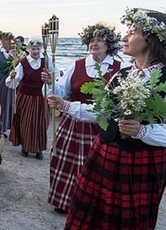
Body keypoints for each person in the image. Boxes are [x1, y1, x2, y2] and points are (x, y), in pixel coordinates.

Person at [45, 8, 166, 230]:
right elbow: (102, 112)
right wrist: (67, 106)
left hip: (145, 160)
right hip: (106, 151)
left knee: (129, 218)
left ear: (151, 39)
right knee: (86, 208)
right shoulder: (122, 75)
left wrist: (143, 131)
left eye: (133, 32)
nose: (125, 37)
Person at [45, 23, 124, 214]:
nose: (94, 43)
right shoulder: (78, 64)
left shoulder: (120, 68)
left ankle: (88, 207)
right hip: (73, 123)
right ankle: (63, 201)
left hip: (101, 126)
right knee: (66, 161)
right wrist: (50, 84)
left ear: (109, 45)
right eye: (92, 40)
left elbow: (119, 104)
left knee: (96, 167)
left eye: (99, 40)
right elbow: (62, 90)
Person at [6, 38, 55, 159]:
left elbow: (55, 74)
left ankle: (38, 149)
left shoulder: (46, 60)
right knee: (25, 122)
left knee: (41, 123)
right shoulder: (23, 63)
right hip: (26, 96)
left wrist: (50, 79)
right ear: (29, 50)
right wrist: (11, 77)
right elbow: (15, 81)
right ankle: (25, 147)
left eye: (38, 49)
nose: (36, 51)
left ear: (41, 49)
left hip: (41, 96)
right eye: (33, 49)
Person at [0, 31, 15, 135]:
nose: (4, 42)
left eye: (6, 40)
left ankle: (6, 127)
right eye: (2, 40)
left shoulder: (14, 53)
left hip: (11, 82)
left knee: (9, 104)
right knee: (0, 103)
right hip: (0, 81)